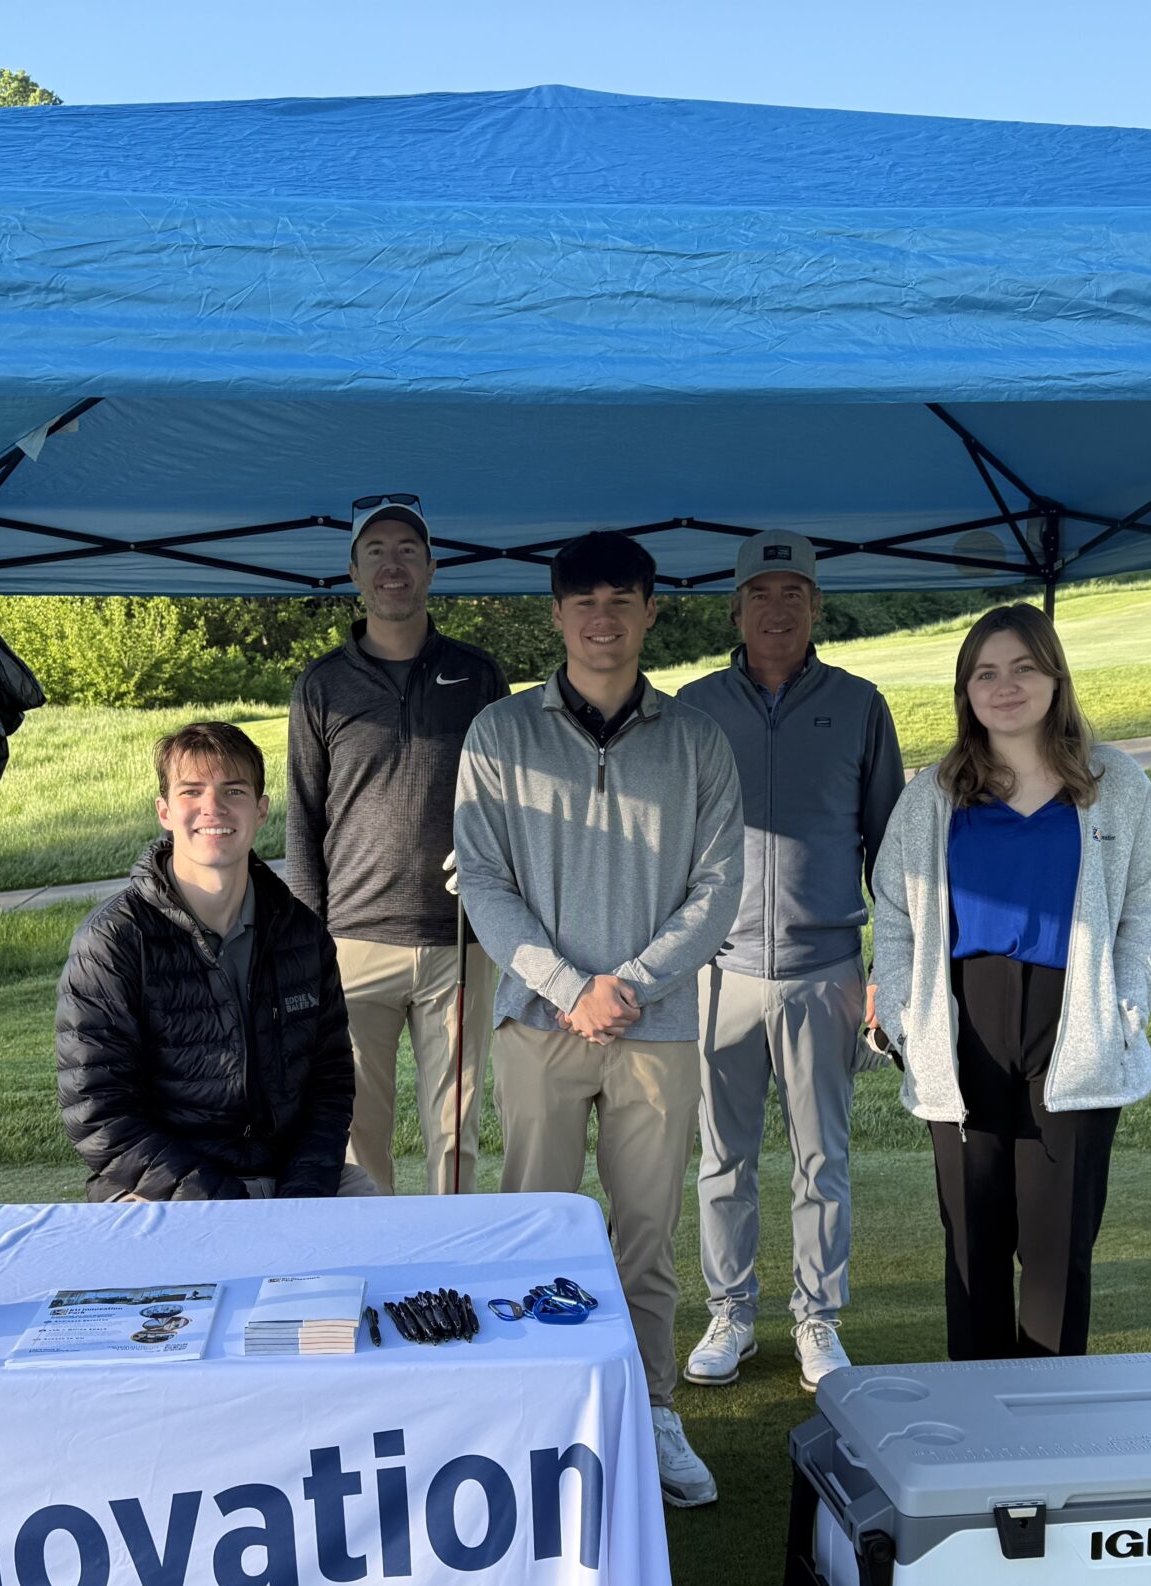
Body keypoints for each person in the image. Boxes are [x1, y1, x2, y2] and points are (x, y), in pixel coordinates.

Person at [453, 531, 744, 1506]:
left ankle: (652, 1409)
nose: (602, 618)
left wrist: (630, 983)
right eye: (583, 602)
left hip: (655, 1032)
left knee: (645, 1236)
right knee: (533, 1226)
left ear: (651, 611)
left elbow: (716, 887)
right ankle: (533, 1409)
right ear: (555, 614)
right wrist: (566, 982)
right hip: (538, 1023)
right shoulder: (499, 734)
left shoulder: (697, 740)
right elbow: (483, 883)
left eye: (622, 599)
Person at [866, 604, 1151, 1359]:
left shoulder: (1114, 783)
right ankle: (979, 1439)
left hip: (1076, 1029)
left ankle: (1052, 1428)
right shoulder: (936, 793)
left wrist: (1127, 1006)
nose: (1005, 688)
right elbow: (896, 916)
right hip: (963, 1027)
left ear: (1055, 676)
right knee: (974, 1246)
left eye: (1024, 668)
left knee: (1056, 1249)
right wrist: (906, 1018)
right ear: (965, 690)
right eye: (985, 674)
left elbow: (1148, 899)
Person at [673, 531, 902, 1393]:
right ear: (736, 609)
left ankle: (818, 1319)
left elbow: (889, 844)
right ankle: (729, 1313)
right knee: (722, 1159)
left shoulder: (858, 704)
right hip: (718, 971)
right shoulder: (694, 707)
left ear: (816, 606)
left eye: (794, 592)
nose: (779, 607)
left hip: (826, 969)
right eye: (762, 593)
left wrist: (892, 966)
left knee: (822, 1160)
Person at [286, 496, 509, 1196]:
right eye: (376, 551)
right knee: (356, 1139)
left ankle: (448, 1279)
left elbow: (511, 807)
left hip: (462, 942)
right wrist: (309, 945)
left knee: (455, 1133)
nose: (393, 564)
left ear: (432, 568)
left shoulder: (478, 675)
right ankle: (377, 1274)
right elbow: (303, 822)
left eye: (408, 550)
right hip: (354, 945)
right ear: (354, 573)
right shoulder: (322, 686)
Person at [57, 721, 369, 1202]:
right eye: (191, 791)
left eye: (234, 790)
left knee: (378, 1242)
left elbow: (330, 1086)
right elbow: (97, 1112)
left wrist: (302, 1193)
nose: (213, 807)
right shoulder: (113, 941)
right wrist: (222, 1204)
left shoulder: (302, 934)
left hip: (289, 1183)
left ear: (261, 810)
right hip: (159, 1189)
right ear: (164, 810)